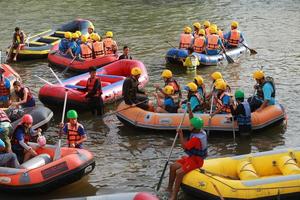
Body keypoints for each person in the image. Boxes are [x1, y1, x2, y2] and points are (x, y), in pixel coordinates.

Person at [167, 102, 207, 200]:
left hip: (197, 161)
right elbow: (192, 119)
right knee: (173, 167)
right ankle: (169, 188)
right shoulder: (199, 130)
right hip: (191, 158)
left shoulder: (196, 139)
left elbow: (184, 147)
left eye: (190, 125)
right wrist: (189, 110)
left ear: (194, 128)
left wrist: (180, 133)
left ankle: (174, 196)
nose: (189, 125)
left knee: (179, 172)